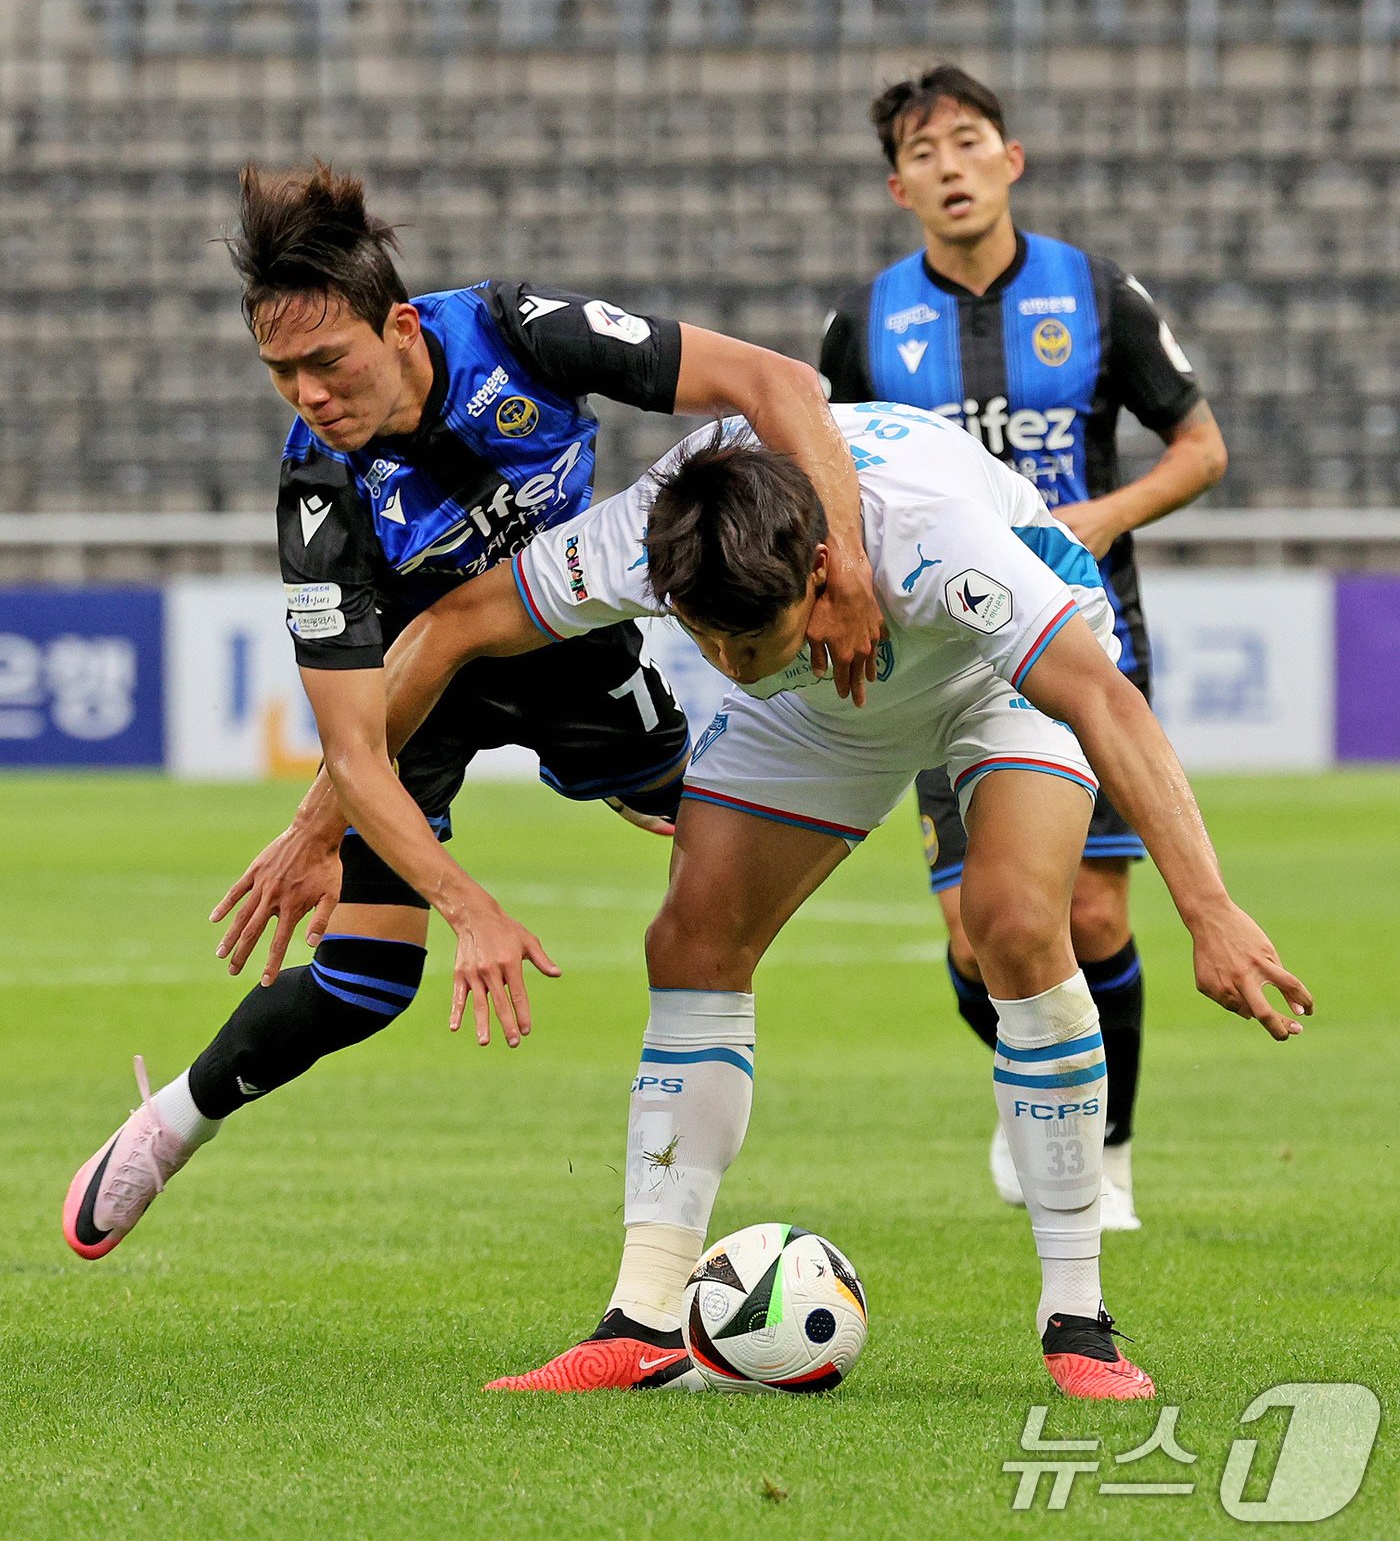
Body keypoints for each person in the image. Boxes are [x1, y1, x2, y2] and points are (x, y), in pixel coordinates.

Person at [190, 400, 1307, 1399]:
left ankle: (1077, 1319)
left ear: (823, 571)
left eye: (746, 639)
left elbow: (1106, 705)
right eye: (703, 640)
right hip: (818, 705)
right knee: (687, 941)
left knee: (1012, 923)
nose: (724, 663)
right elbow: (447, 630)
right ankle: (641, 1320)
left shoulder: (935, 543)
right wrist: (318, 823)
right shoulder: (653, 530)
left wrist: (1207, 909)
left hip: (988, 677)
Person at [63, 161, 882, 1265]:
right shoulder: (319, 496)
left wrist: (847, 562)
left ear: (399, 327)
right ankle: (169, 1126)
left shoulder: (519, 333)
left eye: (328, 361)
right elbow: (356, 749)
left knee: (707, 825)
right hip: (421, 692)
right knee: (361, 985)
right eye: (281, 373)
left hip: (569, 644)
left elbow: (776, 382)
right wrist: (462, 904)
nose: (308, 395)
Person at [820, 66, 1230, 1230]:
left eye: (966, 141)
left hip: (1081, 634)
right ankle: (1029, 1081)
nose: (947, 165)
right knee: (975, 937)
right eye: (922, 152)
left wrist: (1105, 515)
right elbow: (825, 465)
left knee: (1089, 916)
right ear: (897, 188)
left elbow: (1199, 448)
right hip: (942, 653)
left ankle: (1105, 1153)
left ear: (1010, 160)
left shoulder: (1095, 294)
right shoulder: (864, 325)